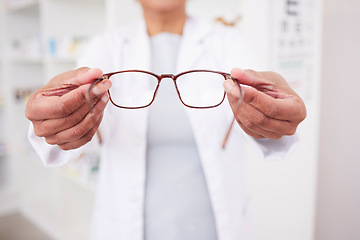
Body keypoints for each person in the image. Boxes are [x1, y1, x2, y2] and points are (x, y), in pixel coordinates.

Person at [25, 0, 306, 239]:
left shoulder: (227, 42)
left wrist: (273, 112)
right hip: (126, 226)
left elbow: (261, 109)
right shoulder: (106, 47)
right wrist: (58, 119)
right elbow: (71, 124)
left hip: (215, 227)